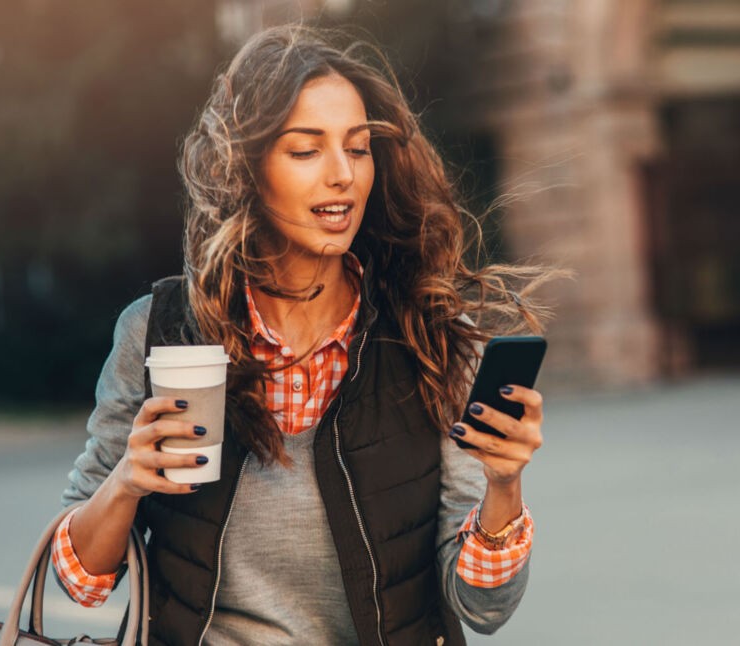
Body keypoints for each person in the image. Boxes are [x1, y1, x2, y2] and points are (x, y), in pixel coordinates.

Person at [52, 24, 556, 646]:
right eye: (305, 150)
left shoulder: (435, 341)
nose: (342, 174)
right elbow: (81, 581)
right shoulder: (156, 333)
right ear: (248, 167)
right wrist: (128, 478)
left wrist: (505, 484)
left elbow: (483, 607)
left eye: (359, 146)